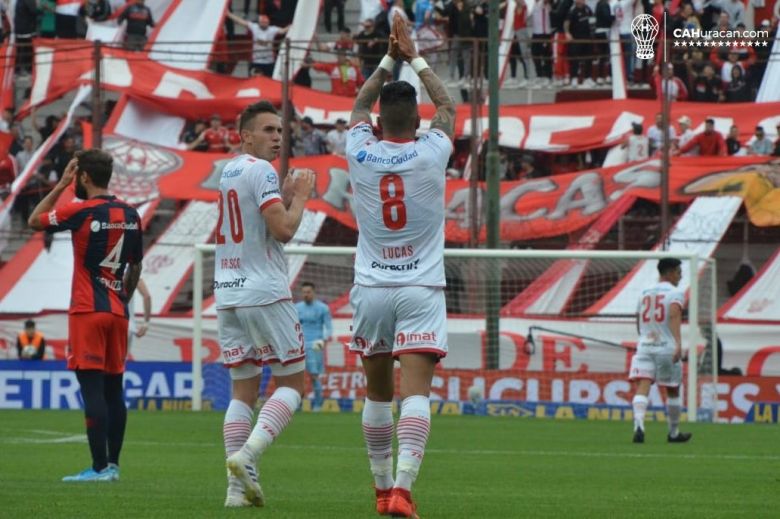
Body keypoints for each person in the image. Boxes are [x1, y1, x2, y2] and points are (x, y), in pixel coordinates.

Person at [346, 15, 455, 518]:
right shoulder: (433, 151)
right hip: (420, 286)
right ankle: (404, 492)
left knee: (376, 392)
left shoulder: (360, 149)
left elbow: (358, 103)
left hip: (371, 287)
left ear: (377, 122)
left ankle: (379, 487)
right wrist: (414, 57)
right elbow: (450, 106)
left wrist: (389, 56)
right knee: (417, 392)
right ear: (417, 122)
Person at [214, 101, 315, 508]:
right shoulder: (261, 170)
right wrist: (301, 197)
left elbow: (258, 223)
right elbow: (284, 229)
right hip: (265, 291)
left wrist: (285, 195)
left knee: (242, 391)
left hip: (228, 291)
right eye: (269, 130)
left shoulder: (230, 171)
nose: (277, 137)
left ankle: (235, 491)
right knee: (293, 384)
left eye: (280, 131)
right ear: (246, 136)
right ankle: (248, 455)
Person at [28, 150, 143, 481]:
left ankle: (97, 469)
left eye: (75, 177)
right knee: (114, 390)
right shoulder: (131, 213)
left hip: (87, 310)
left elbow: (35, 220)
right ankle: (114, 466)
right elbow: (135, 266)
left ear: (84, 177)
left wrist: (60, 184)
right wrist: (123, 297)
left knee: (92, 391)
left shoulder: (79, 211)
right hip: (118, 311)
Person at [629, 258, 692, 444]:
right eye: (679, 272)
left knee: (643, 384)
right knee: (672, 389)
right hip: (666, 347)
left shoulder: (644, 292)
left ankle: (638, 426)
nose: (680, 276)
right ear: (670, 272)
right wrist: (678, 343)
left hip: (645, 345)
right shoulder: (675, 293)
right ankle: (673, 433)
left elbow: (637, 318)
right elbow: (673, 314)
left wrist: (643, 337)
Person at [294, 282, 333, 411]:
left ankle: (317, 406)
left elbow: (329, 327)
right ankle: (296, 405)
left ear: (314, 292)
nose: (306, 294)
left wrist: (324, 340)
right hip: (299, 345)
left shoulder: (323, 308)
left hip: (315, 345)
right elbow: (293, 327)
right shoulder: (296, 308)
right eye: (304, 292)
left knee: (314, 375)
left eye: (308, 292)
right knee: (296, 376)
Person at [227, 11, 289, 77]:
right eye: (263, 23)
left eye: (266, 23)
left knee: (268, 81)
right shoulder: (254, 27)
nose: (265, 24)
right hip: (256, 61)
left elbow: (282, 31)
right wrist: (229, 14)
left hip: (269, 62)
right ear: (259, 23)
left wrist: (291, 26)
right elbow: (240, 21)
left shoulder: (272, 29)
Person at [127, 279, 151, 354]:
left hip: (105, 321)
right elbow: (147, 297)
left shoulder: (99, 271)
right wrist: (146, 323)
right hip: (127, 325)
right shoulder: (130, 270)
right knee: (120, 363)